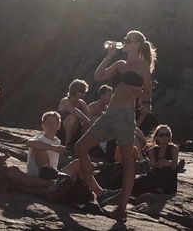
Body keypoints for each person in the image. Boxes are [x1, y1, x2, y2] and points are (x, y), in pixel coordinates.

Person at [74, 30, 156, 223]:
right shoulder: (120, 64)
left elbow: (148, 95)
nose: (125, 42)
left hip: (126, 116)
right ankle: (100, 193)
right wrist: (109, 55)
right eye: (125, 39)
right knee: (80, 147)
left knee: (128, 161)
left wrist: (136, 90)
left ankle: (122, 208)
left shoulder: (143, 66)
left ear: (137, 44)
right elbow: (98, 77)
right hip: (110, 114)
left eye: (129, 40)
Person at [0, 83, 74, 199]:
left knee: (13, 178)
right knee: (10, 172)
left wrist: (1, 159)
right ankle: (53, 184)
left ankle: (51, 191)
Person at [26, 110, 82, 178]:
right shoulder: (38, 138)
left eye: (54, 122)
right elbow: (29, 143)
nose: (51, 125)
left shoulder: (57, 141)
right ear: (43, 125)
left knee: (78, 163)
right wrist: (54, 147)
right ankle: (48, 175)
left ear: (58, 126)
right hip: (38, 175)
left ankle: (82, 185)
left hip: (55, 173)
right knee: (40, 148)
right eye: (49, 122)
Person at [132, 124, 179, 197]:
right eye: (161, 135)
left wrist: (168, 163)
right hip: (155, 177)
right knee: (135, 183)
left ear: (170, 136)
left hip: (169, 181)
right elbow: (153, 165)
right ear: (156, 136)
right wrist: (165, 163)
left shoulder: (174, 148)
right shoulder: (152, 150)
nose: (164, 137)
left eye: (167, 135)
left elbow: (174, 165)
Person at [57, 78, 93, 147]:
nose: (84, 93)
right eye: (82, 91)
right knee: (73, 118)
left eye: (84, 92)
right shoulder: (65, 101)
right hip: (61, 130)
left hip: (76, 130)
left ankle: (85, 145)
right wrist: (88, 121)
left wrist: (91, 122)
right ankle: (68, 143)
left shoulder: (82, 103)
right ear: (75, 91)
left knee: (88, 122)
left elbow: (88, 116)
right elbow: (75, 111)